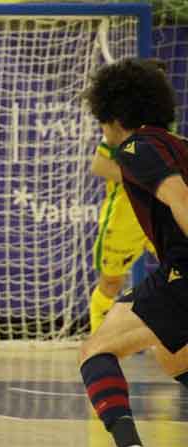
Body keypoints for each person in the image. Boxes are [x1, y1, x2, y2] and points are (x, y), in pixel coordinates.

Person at [71, 57, 188, 447]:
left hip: (183, 271)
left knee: (96, 350)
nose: (102, 130)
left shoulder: (136, 148)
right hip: (176, 271)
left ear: (115, 115)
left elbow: (179, 200)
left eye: (102, 120)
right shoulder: (177, 144)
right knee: (174, 356)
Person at [88, 60, 166, 334]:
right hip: (125, 216)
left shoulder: (165, 127)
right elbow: (99, 166)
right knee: (111, 283)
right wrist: (143, 179)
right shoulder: (119, 128)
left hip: (159, 212)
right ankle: (100, 341)